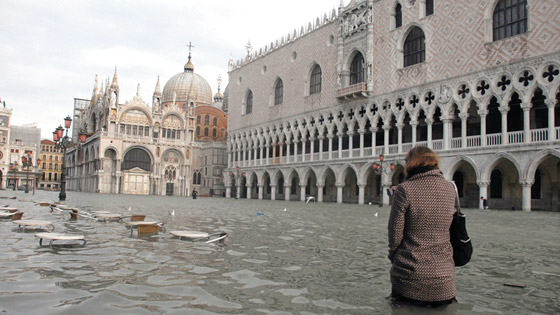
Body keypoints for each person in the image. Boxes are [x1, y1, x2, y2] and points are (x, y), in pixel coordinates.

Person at [388, 146, 457, 307]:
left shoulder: (405, 189)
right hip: (444, 280)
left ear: (411, 164)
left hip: (409, 277)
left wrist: (395, 258)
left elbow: (395, 234)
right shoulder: (450, 189)